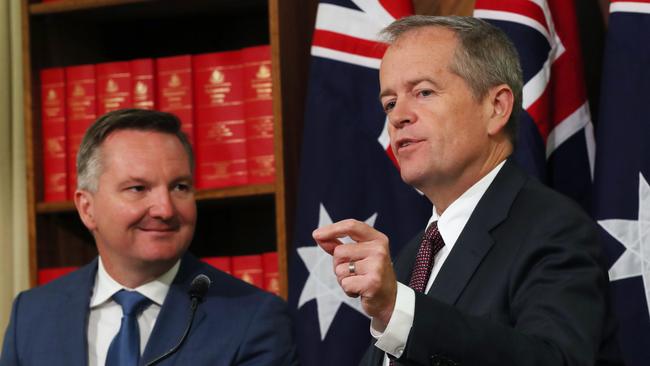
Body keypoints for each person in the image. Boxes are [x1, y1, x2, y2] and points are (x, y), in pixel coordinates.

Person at [313, 16, 622, 366]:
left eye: (424, 92)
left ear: (496, 107)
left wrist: (395, 309)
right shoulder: (411, 257)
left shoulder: (554, 229)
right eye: (389, 103)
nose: (398, 116)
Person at [0, 109, 298, 366]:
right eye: (138, 188)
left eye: (179, 187)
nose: (165, 209)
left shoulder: (253, 318)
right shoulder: (32, 314)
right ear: (87, 208)